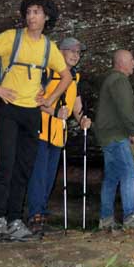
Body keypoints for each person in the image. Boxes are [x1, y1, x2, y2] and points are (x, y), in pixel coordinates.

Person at [0, 0, 72, 242]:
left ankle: (15, 220)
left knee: (24, 168)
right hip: (9, 108)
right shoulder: (12, 38)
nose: (31, 17)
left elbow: (66, 76)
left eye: (37, 12)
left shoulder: (48, 47)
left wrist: (49, 99)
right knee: (6, 165)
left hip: (32, 113)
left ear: (47, 17)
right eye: (29, 12)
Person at [26, 36, 92, 234]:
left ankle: (41, 216)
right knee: (38, 176)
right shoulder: (47, 72)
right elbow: (33, 99)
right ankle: (35, 217)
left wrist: (82, 119)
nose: (76, 55)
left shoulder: (74, 76)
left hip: (57, 134)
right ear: (60, 52)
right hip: (40, 131)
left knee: (48, 177)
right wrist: (54, 112)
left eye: (78, 52)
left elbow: (76, 105)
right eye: (72, 51)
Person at [95, 49, 134, 231]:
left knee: (112, 177)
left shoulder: (110, 80)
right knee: (129, 172)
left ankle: (106, 219)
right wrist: (132, 131)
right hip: (117, 136)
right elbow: (126, 109)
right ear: (121, 62)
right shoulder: (119, 80)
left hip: (107, 136)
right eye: (132, 60)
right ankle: (130, 216)